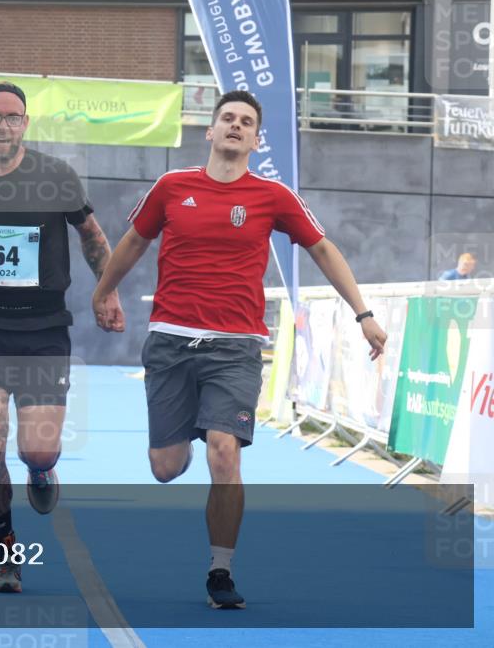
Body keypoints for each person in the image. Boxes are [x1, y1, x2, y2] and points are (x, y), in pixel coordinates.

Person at [91, 90, 387, 610]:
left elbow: (322, 248)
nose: (234, 126)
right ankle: (188, 430)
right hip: (172, 342)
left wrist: (363, 314)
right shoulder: (171, 187)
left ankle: (220, 571)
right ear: (209, 131)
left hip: (236, 348)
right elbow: (134, 242)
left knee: (224, 452)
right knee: (166, 466)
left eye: (245, 122)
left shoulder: (273, 197)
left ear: (255, 138)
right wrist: (103, 290)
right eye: (226, 118)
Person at [0, 81, 119, 593]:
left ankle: (40, 472)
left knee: (37, 452)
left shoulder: (56, 176)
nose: (3, 126)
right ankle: (6, 555)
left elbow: (92, 236)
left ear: (26, 124)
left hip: (44, 331)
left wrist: (108, 290)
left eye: (13, 117)